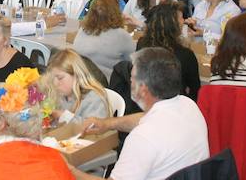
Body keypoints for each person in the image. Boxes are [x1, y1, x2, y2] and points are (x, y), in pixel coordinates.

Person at [72, 47, 209, 180]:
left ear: (142, 89)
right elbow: (145, 119)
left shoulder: (142, 137)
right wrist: (107, 124)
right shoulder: (189, 106)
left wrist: (69, 170)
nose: (130, 82)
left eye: (132, 79)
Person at [136, 3, 201, 100]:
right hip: (174, 105)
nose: (183, 21)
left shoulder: (142, 44)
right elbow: (195, 90)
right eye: (181, 18)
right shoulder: (185, 55)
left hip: (144, 101)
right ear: (172, 25)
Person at [72, 0, 136, 80]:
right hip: (108, 87)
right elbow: (134, 62)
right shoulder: (121, 35)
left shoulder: (82, 30)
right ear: (116, 12)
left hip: (81, 81)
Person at [46, 48, 112, 125]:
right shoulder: (62, 95)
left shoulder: (94, 98)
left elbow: (93, 128)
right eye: (52, 78)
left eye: (60, 78)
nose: (55, 83)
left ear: (76, 75)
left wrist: (63, 116)